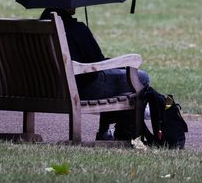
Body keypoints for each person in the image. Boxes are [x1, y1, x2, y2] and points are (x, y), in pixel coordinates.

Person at [40, 8, 150, 140]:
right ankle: (124, 131)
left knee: (122, 79)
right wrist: (119, 63)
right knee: (141, 77)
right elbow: (97, 63)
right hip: (81, 89)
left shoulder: (38, 28)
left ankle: (107, 131)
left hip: (45, 89)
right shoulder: (76, 29)